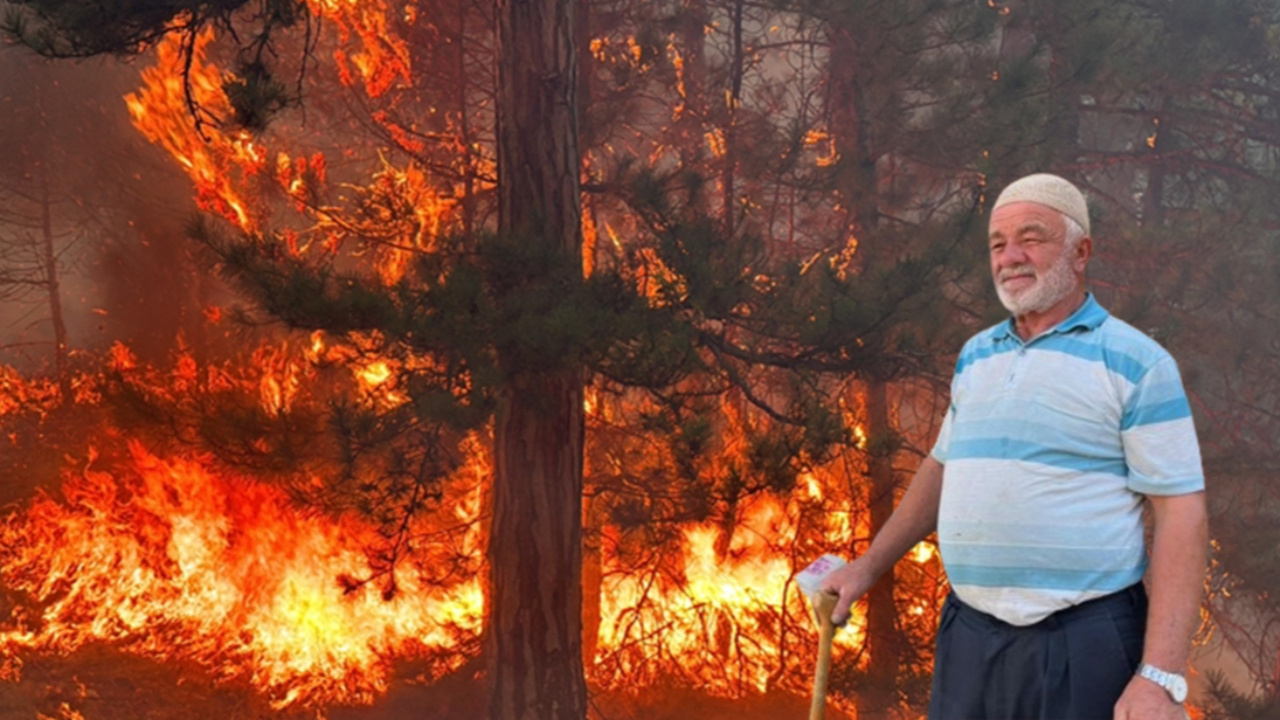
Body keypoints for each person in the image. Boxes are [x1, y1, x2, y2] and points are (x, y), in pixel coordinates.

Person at [821, 173, 1209, 720]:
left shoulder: (1137, 363)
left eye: (1032, 237)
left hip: (1083, 640)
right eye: (998, 244)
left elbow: (1182, 514)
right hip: (970, 636)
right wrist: (867, 566)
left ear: (1082, 251)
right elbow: (942, 467)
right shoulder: (977, 355)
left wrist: (1160, 676)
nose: (1011, 256)